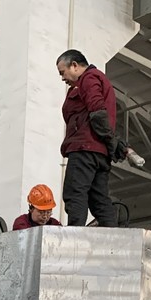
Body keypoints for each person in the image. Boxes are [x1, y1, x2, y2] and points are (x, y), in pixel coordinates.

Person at [56, 49, 118, 227]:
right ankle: (113, 235)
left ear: (74, 65)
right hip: (100, 153)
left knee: (75, 193)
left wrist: (110, 140)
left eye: (62, 72)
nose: (62, 78)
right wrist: (111, 143)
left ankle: (74, 237)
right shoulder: (96, 80)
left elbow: (97, 111)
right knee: (99, 200)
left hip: (84, 149)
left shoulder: (89, 79)